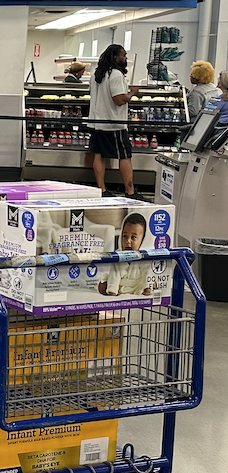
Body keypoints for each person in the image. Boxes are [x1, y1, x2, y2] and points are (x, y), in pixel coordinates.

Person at [88, 44, 141, 198]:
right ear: (115, 57)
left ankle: (101, 190)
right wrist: (132, 93)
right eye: (123, 55)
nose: (125, 58)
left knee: (99, 156)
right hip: (113, 123)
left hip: (96, 122)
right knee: (124, 156)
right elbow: (118, 100)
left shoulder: (97, 75)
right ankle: (130, 192)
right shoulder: (116, 74)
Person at [98, 213, 152, 296]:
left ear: (143, 240)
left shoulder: (145, 257)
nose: (128, 241)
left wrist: (147, 289)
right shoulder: (118, 256)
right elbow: (114, 276)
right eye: (125, 236)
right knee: (103, 285)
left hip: (138, 287)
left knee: (153, 283)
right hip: (121, 287)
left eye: (133, 237)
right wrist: (112, 292)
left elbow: (147, 274)